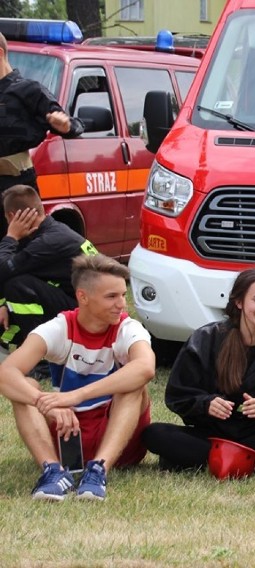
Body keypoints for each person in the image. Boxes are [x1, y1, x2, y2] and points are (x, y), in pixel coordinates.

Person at [0, 254, 156, 501]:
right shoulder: (60, 327)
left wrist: (75, 396)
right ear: (82, 297)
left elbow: (145, 368)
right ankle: (52, 471)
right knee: (25, 387)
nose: (122, 305)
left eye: (123, 295)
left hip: (118, 442)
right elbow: (5, 374)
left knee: (135, 386)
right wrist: (45, 403)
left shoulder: (128, 328)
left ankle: (98, 471)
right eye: (111, 297)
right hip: (67, 434)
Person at [142, 267, 255, 475]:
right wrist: (206, 404)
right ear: (239, 302)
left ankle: (209, 461)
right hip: (212, 435)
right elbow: (177, 397)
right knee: (155, 433)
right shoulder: (205, 338)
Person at [0, 185, 98, 351]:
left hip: (91, 316)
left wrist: (10, 237)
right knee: (18, 284)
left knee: (17, 286)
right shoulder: (50, 231)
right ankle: (17, 342)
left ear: (12, 216)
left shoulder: (48, 242)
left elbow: (3, 269)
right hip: (88, 306)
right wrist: (3, 303)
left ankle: (41, 357)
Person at [0, 32, 84, 195]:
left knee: (26, 221)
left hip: (16, 187)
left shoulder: (28, 90)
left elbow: (72, 124)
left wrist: (66, 126)